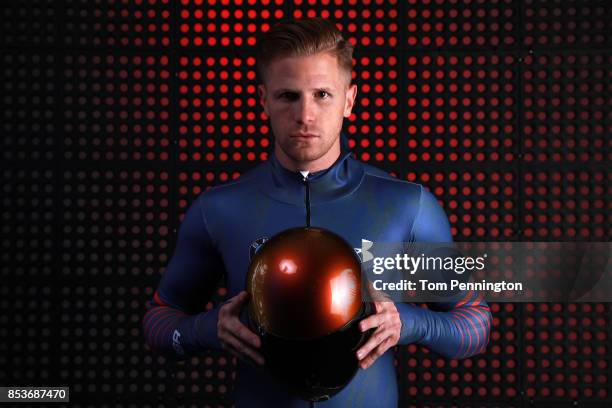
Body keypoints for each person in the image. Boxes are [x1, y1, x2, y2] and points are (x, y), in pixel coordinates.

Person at [143, 18, 492, 407]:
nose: (305, 115)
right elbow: (160, 321)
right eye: (288, 96)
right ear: (263, 100)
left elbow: (474, 324)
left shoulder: (407, 206)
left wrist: (407, 323)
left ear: (349, 100)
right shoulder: (220, 208)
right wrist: (209, 328)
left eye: (322, 94)